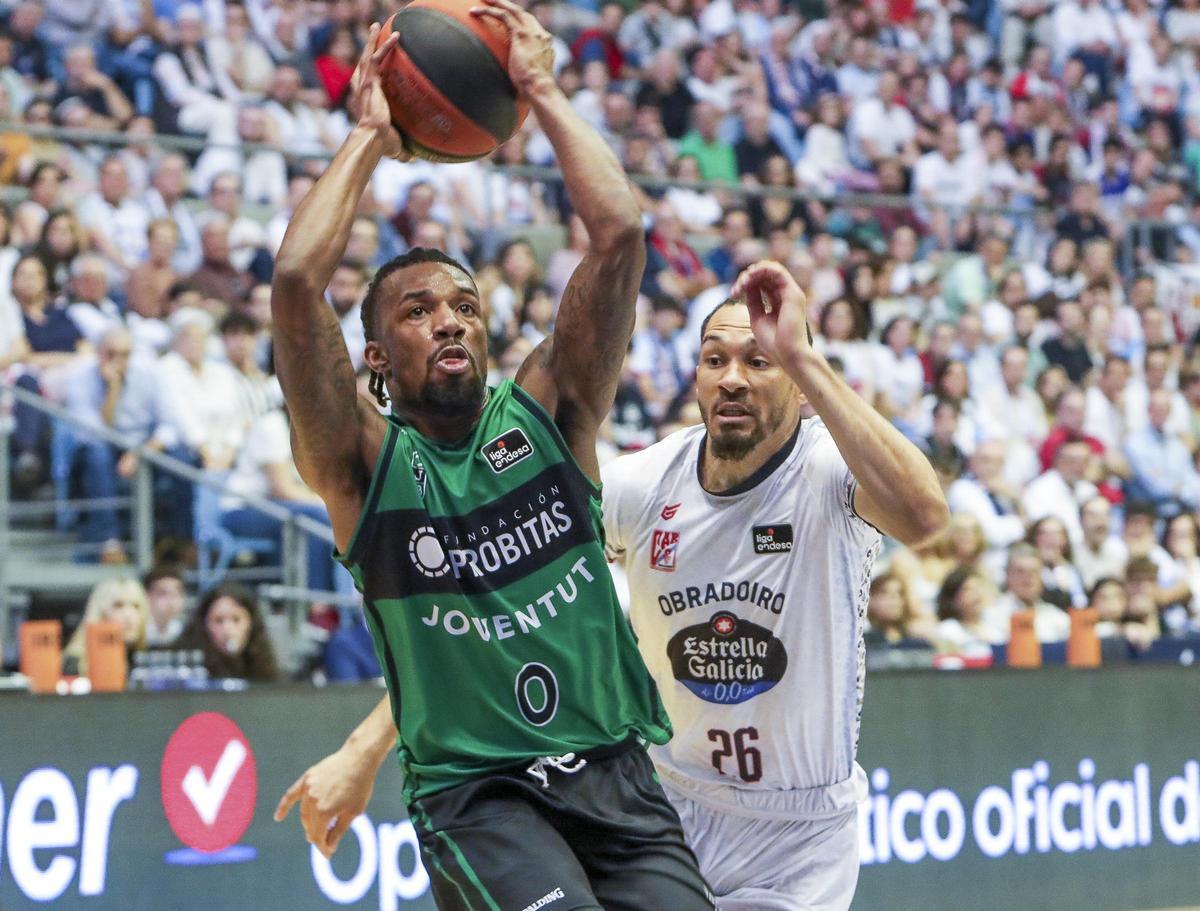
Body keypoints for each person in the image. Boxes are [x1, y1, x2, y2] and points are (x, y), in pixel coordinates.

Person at [286, 256, 948, 909]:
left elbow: (924, 517)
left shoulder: (832, 472)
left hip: (796, 837)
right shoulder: (645, 484)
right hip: (663, 803)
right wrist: (363, 748)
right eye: (714, 359)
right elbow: (494, 614)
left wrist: (806, 358)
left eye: (761, 360)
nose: (733, 379)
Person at [271, 14, 714, 910]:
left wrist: (543, 91)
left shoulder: (551, 409)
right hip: (479, 798)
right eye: (418, 310)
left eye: (465, 305)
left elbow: (620, 231)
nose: (449, 319)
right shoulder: (364, 465)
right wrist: (368, 136)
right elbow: (293, 285)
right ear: (378, 362)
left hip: (616, 774)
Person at [177, 582, 279, 682]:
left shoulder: (265, 669)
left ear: (251, 623)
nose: (227, 630)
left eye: (236, 619)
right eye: (218, 620)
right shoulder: (188, 670)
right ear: (204, 624)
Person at [62, 577, 150, 676]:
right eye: (118, 606)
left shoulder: (147, 660)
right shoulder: (74, 664)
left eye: (136, 606)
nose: (129, 614)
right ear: (99, 613)